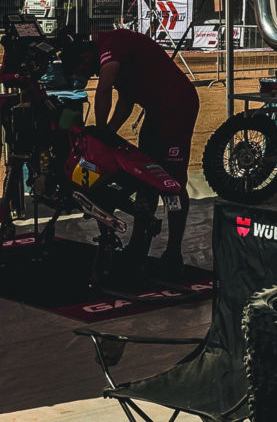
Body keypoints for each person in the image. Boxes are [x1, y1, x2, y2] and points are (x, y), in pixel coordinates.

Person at [81, 25, 198, 272]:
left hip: (177, 107)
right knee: (147, 174)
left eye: (86, 71)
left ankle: (173, 250)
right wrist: (109, 132)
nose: (91, 75)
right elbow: (125, 101)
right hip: (157, 112)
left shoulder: (110, 45)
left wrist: (102, 130)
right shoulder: (118, 52)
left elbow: (104, 89)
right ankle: (138, 244)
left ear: (87, 56)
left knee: (172, 181)